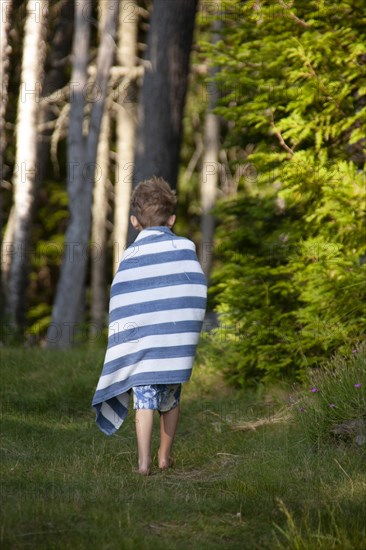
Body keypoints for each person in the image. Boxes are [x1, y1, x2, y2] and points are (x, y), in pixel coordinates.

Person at [92, 176, 207, 475]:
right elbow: (194, 289)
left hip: (142, 345)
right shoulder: (185, 248)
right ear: (172, 219)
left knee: (144, 401)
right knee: (170, 400)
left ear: (134, 221)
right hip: (171, 345)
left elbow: (122, 299)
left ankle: (143, 462)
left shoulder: (131, 255)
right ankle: (164, 456)